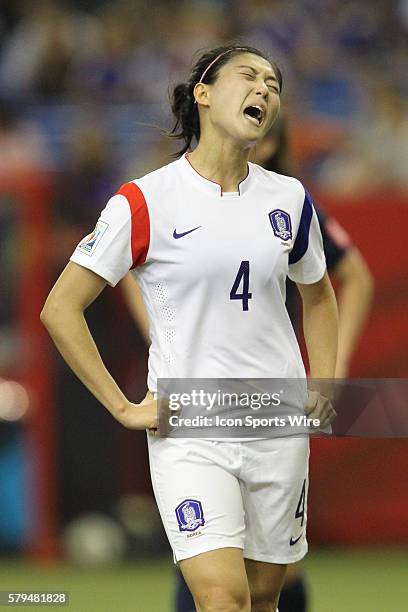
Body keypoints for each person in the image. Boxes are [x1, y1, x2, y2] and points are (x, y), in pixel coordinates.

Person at [41, 44, 338, 612]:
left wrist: (323, 383)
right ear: (202, 93)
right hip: (191, 426)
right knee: (222, 598)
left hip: (277, 421)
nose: (265, 91)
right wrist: (124, 407)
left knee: (263, 597)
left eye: (274, 85)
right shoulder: (144, 200)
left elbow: (320, 295)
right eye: (248, 76)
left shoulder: (290, 199)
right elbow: (61, 308)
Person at [121, 115, 374, 612]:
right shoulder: (169, 195)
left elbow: (348, 281)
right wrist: (160, 333)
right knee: (211, 566)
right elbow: (126, 268)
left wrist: (330, 374)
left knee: (272, 572)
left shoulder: (291, 203)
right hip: (196, 399)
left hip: (269, 397)